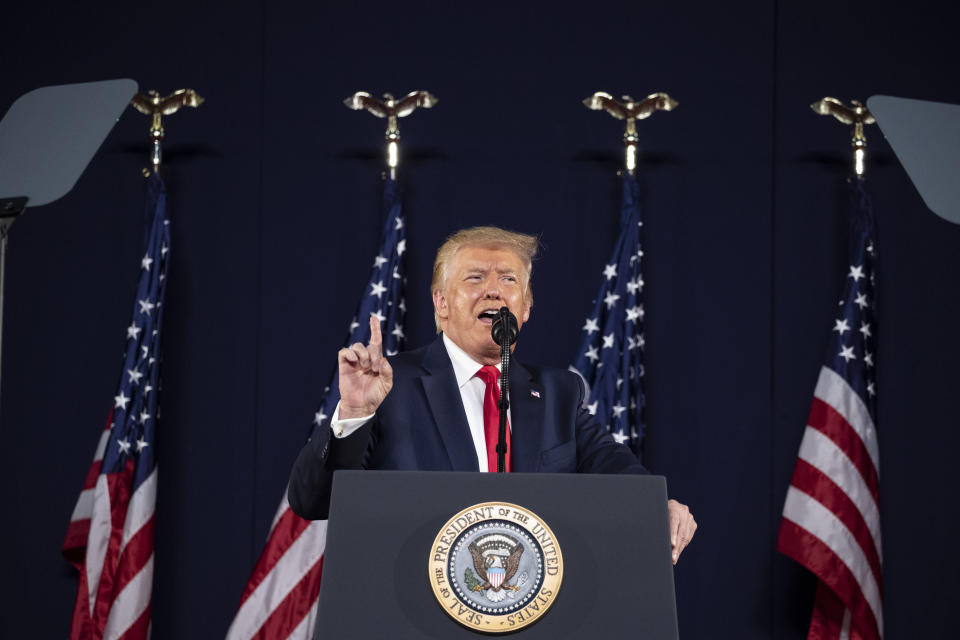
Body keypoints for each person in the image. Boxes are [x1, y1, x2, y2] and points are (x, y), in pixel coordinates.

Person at [288, 226, 696, 563]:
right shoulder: (388, 386)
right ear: (441, 303)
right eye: (475, 277)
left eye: (508, 279)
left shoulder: (559, 395)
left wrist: (656, 505)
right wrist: (356, 413)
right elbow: (313, 500)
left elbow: (620, 474)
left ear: (526, 308)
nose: (494, 291)